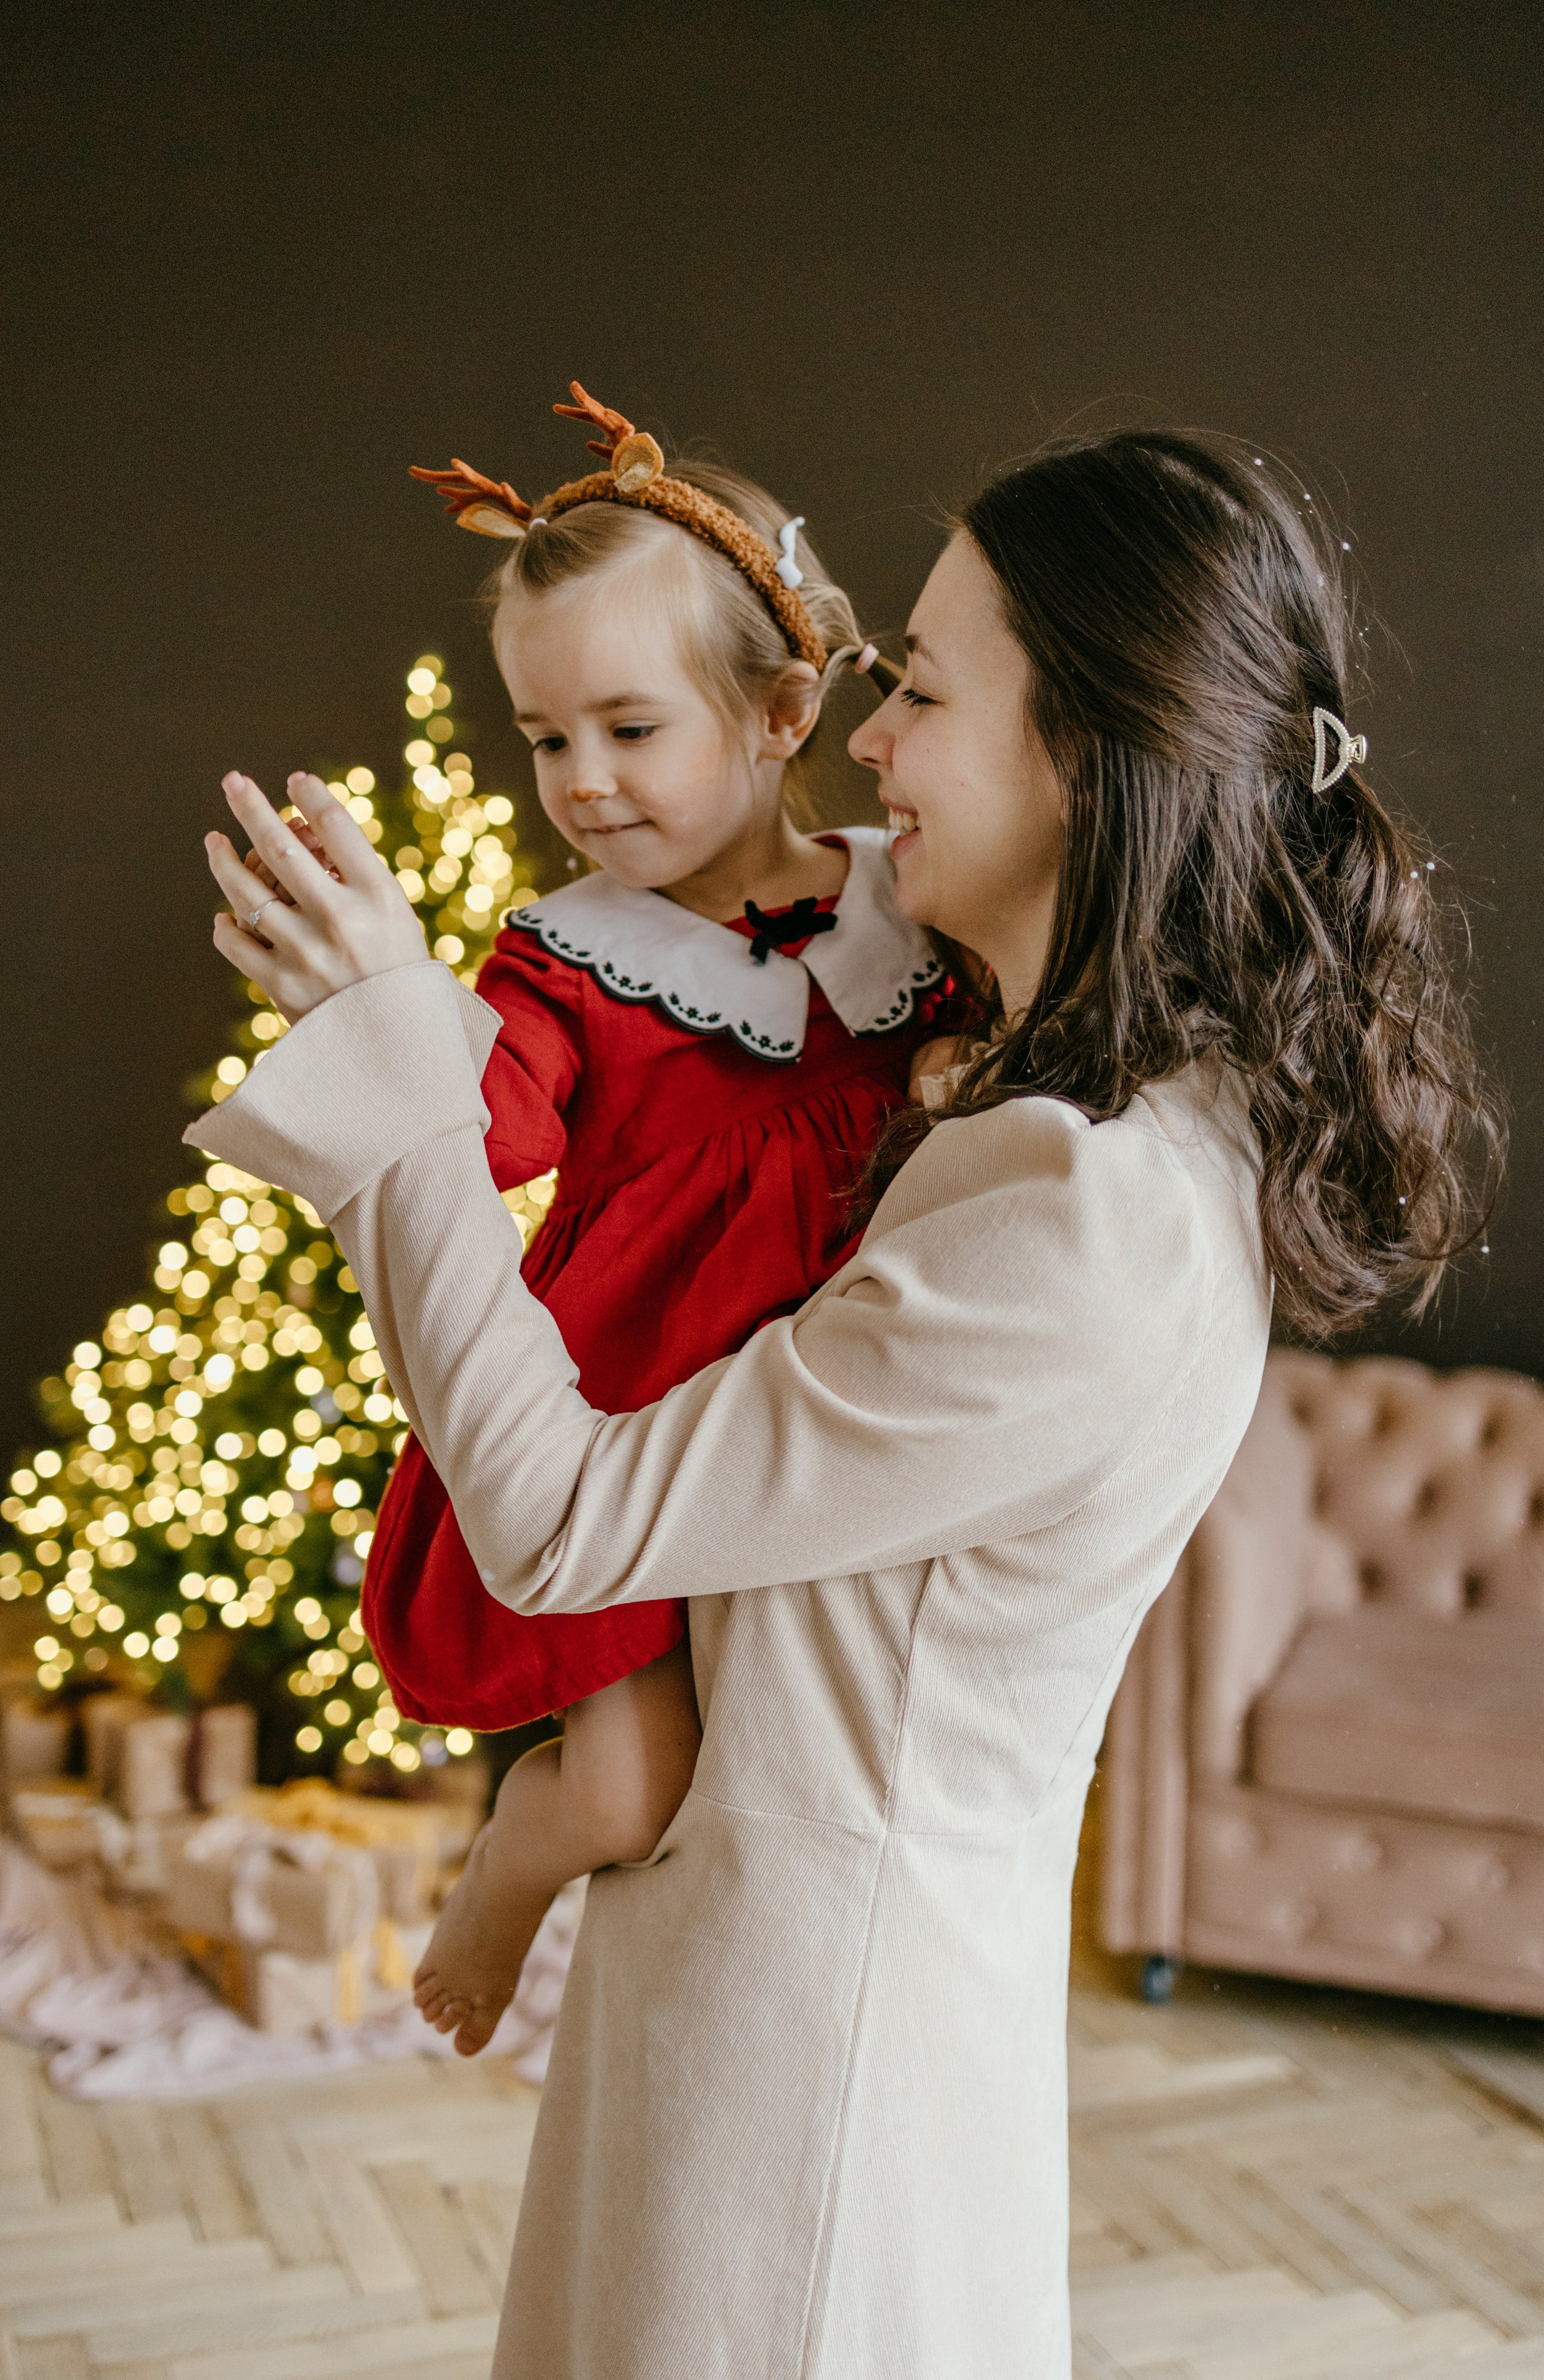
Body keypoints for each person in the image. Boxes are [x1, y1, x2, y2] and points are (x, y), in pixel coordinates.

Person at [192, 426, 1494, 2378]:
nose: (864, 749)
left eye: (922, 692)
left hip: (805, 2066)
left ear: (1086, 760)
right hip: (761, 1968)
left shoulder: (1075, 1208)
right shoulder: (1056, 1085)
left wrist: (389, 1088)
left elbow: (563, 1519)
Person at [368, 387, 954, 2053]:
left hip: (838, 1428)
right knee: (628, 1790)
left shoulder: (904, 900)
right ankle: (507, 1876)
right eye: (547, 739)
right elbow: (480, 1126)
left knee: (809, 1762)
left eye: (630, 729)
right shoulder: (566, 959)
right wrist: (381, 1020)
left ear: (780, 716)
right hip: (639, 1417)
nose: (582, 783)